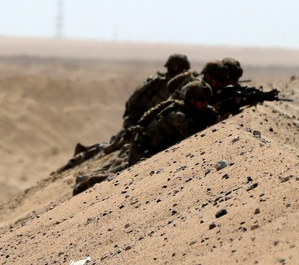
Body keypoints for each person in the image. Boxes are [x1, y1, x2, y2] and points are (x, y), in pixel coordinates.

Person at [72, 81, 219, 196]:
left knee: (122, 170)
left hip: (151, 151)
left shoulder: (194, 111)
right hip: (143, 151)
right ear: (191, 99)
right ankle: (88, 181)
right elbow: (193, 134)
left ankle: (85, 178)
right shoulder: (178, 115)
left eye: (207, 100)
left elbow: (210, 115)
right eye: (201, 100)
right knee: (122, 177)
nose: (205, 104)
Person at [122, 54, 191, 127]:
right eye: (183, 69)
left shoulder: (163, 80)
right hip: (142, 119)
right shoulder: (160, 81)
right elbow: (135, 97)